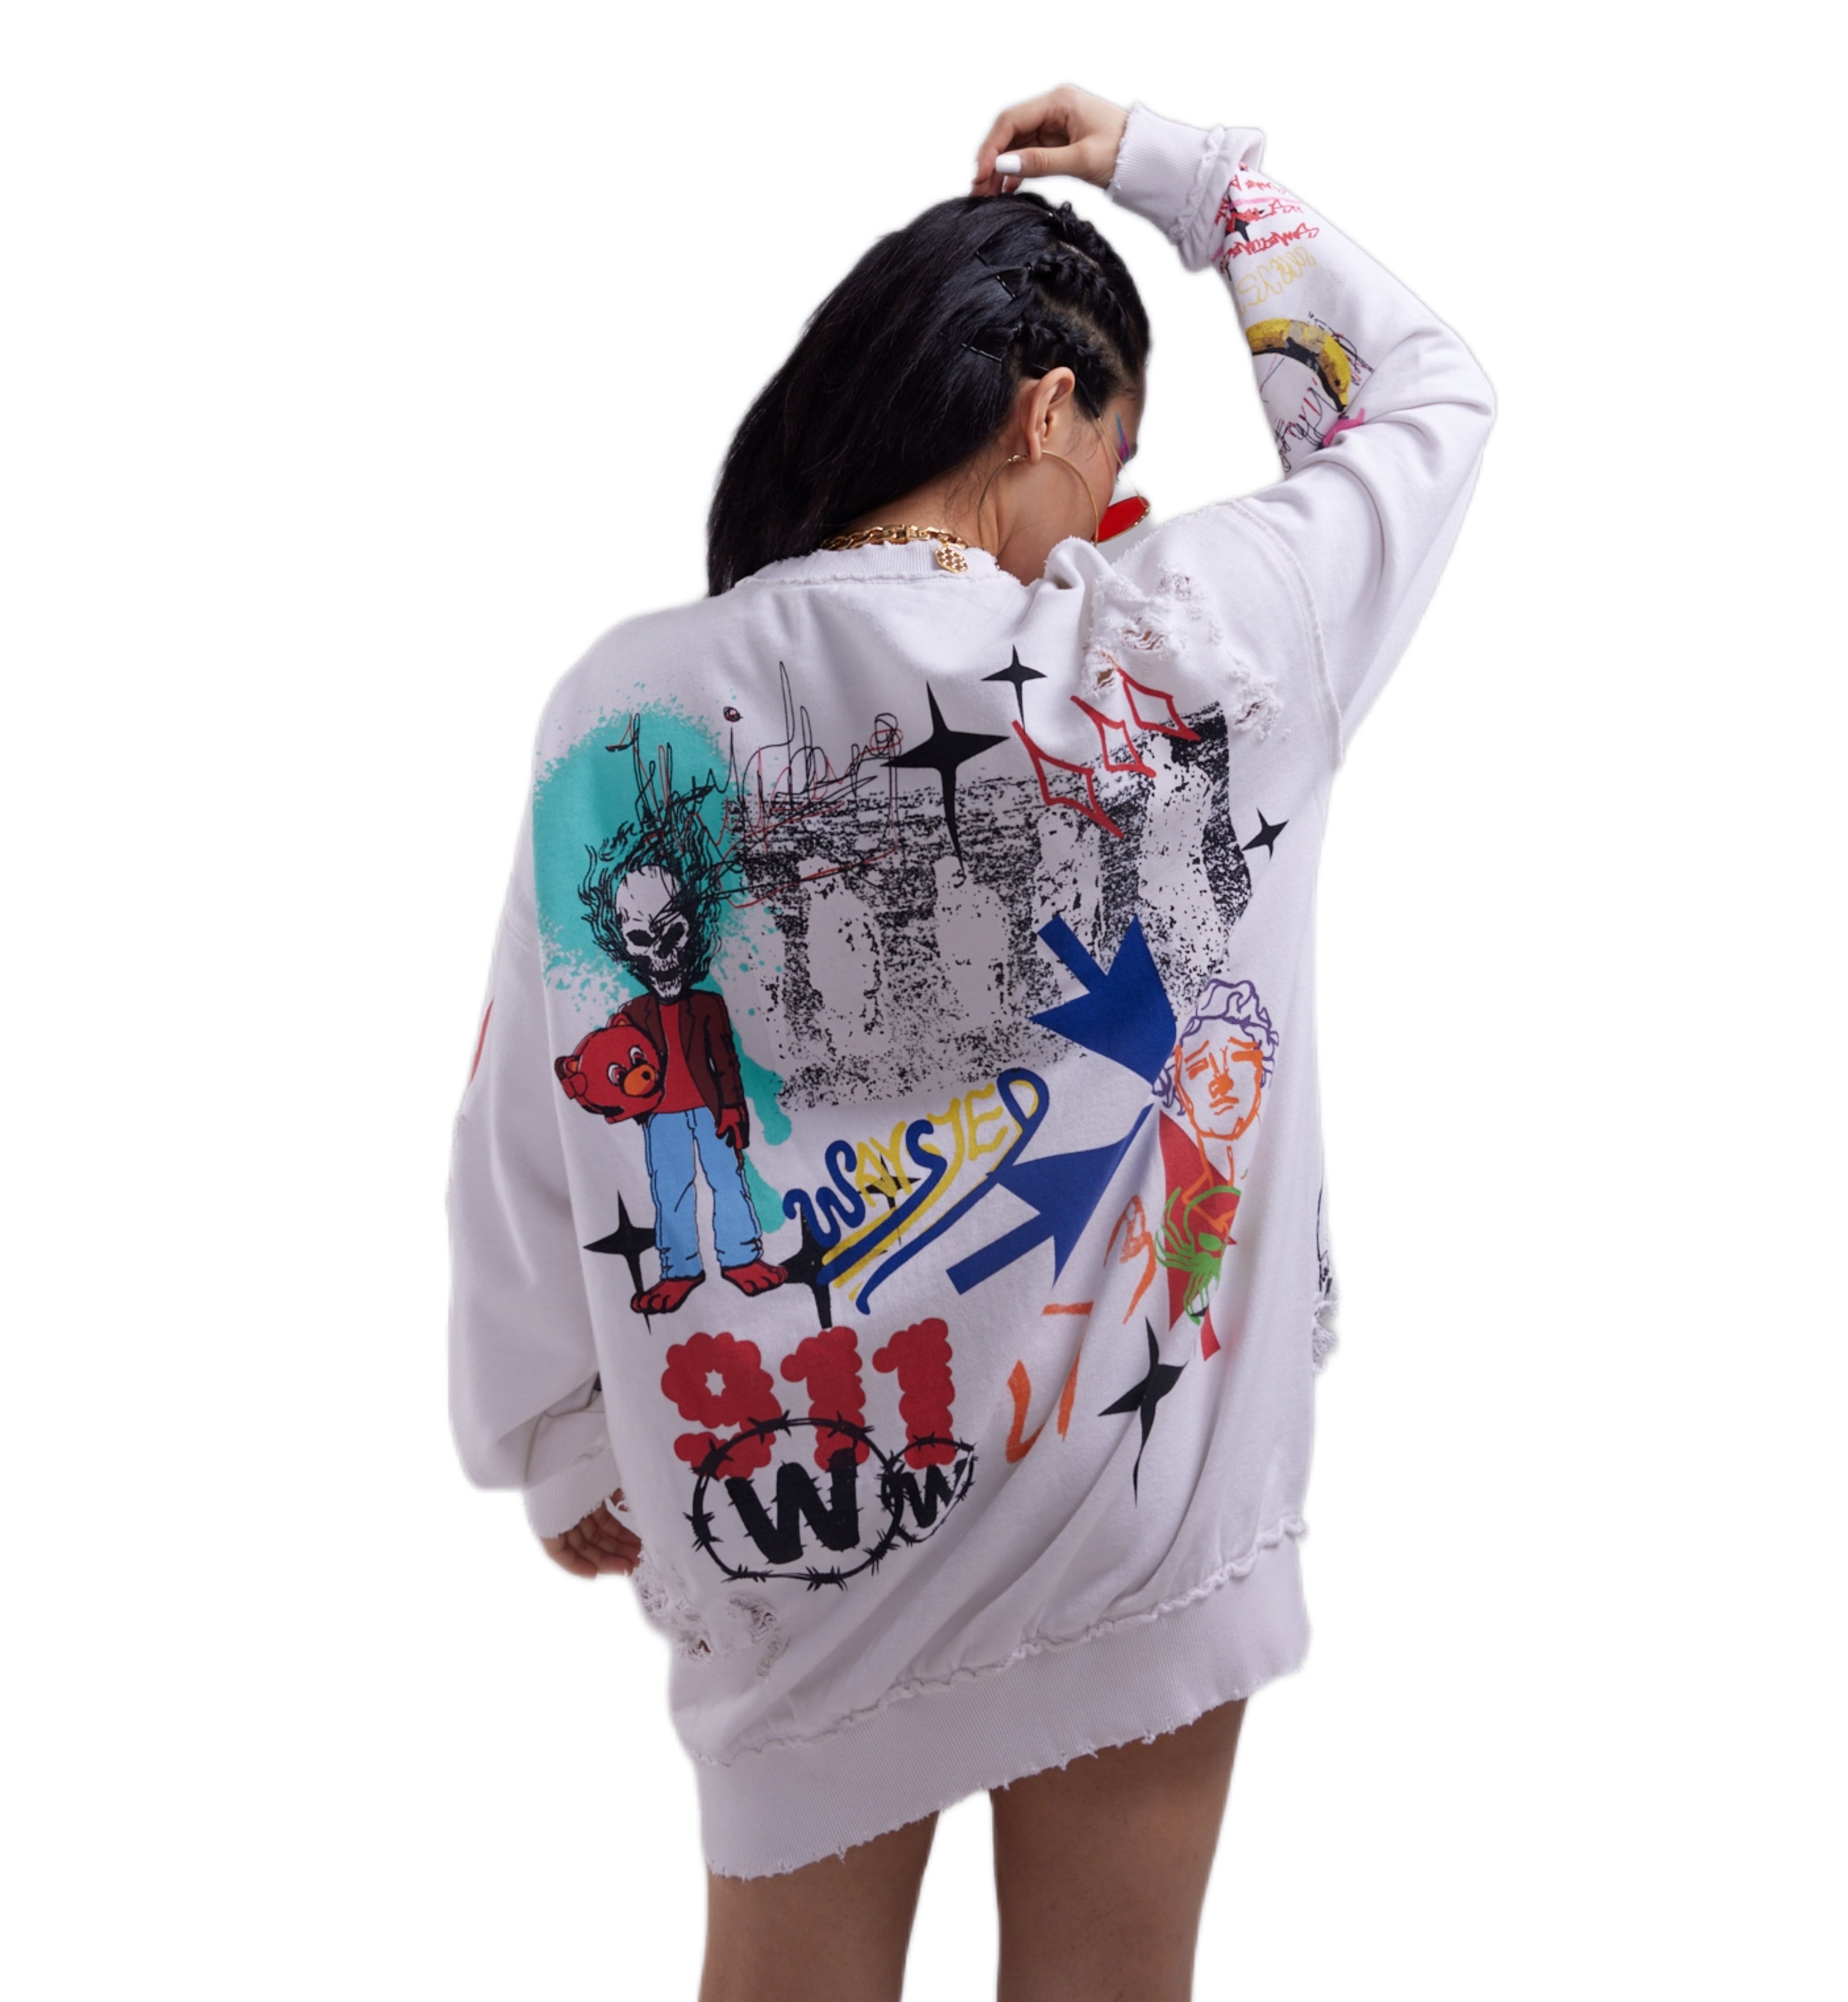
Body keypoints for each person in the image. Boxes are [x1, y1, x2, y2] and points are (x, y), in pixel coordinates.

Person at [450, 85, 1493, 2001]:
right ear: (1045, 408)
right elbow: (1419, 397)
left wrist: (559, 1430)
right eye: (1113, 451)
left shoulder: (630, 703)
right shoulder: (1200, 636)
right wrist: (1189, 179)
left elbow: (544, 1096)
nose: (1111, 509)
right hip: (1132, 1495)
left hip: (794, 1494)